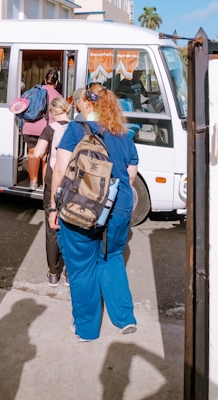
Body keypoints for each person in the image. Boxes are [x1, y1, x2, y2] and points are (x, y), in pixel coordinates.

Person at [49, 83, 139, 342]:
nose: (77, 103)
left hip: (82, 208)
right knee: (111, 258)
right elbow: (130, 176)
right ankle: (124, 319)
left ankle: (87, 329)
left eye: (79, 100)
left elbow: (60, 170)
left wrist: (54, 207)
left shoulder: (76, 129)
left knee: (81, 267)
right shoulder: (123, 134)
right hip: (119, 207)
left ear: (87, 104)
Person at [33, 97, 71, 286]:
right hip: (71, 182)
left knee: (52, 227)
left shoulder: (50, 129)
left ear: (52, 112)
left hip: (53, 181)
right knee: (70, 226)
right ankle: (69, 273)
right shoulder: (76, 128)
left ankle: (53, 273)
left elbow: (38, 153)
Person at [22, 68, 61, 190]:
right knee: (46, 156)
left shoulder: (34, 91)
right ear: (56, 83)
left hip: (29, 127)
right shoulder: (58, 97)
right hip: (45, 130)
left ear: (45, 80)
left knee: (32, 154)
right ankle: (45, 184)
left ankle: (32, 183)